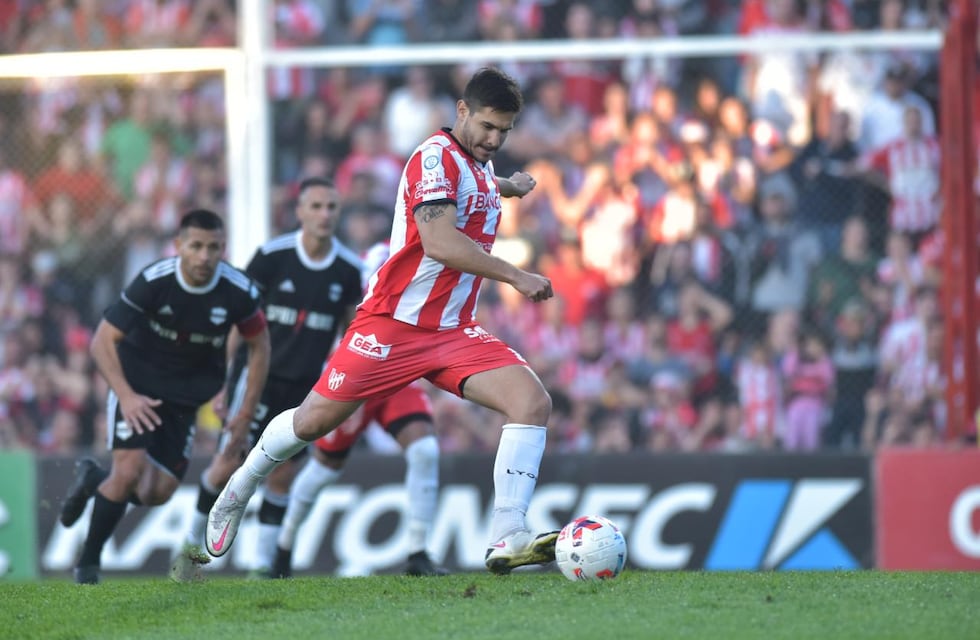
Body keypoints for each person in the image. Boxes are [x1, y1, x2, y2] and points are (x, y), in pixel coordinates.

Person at [207, 66, 559, 575]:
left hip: (453, 331)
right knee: (310, 423)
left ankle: (507, 533)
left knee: (532, 401)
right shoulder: (432, 158)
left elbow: (479, 182)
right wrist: (515, 275)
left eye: (504, 131)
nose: (494, 138)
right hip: (392, 326)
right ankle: (240, 487)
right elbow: (439, 241)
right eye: (487, 126)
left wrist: (510, 185)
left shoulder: (478, 163)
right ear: (461, 111)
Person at [59, 209, 271, 585]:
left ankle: (93, 480)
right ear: (179, 247)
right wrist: (125, 396)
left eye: (213, 248)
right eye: (196, 246)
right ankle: (87, 566)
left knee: (156, 492)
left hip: (185, 400)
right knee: (127, 473)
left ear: (224, 248)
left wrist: (245, 411)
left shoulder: (239, 290)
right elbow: (102, 341)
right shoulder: (154, 281)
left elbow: (259, 345)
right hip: (137, 386)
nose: (204, 256)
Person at [171, 177, 364, 581]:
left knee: (282, 472)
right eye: (316, 206)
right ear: (299, 212)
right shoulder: (272, 258)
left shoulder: (348, 269)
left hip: (305, 387)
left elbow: (351, 334)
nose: (325, 215)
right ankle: (188, 552)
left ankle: (261, 567)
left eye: (332, 207)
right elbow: (235, 323)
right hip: (257, 380)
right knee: (228, 463)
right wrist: (223, 381)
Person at [270, 381, 444, 578]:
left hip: (398, 377)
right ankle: (284, 548)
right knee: (325, 468)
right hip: (354, 378)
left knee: (425, 450)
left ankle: (418, 554)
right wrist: (354, 389)